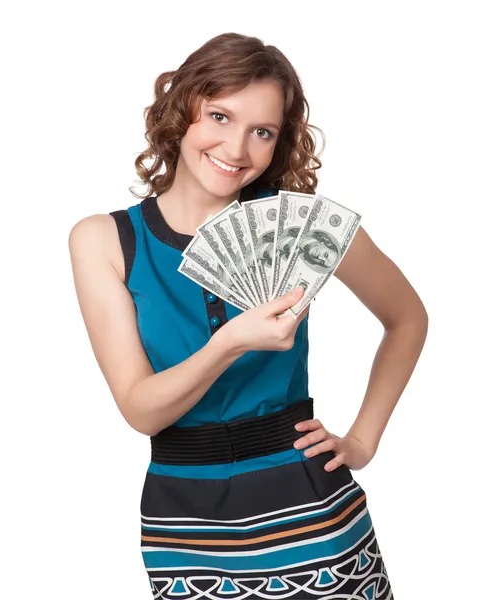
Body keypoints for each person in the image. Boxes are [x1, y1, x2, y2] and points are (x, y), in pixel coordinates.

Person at [69, 32, 428, 599]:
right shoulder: (105, 240)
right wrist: (229, 342)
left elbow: (408, 318)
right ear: (180, 109)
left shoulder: (300, 226)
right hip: (183, 521)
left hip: (312, 512)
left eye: (262, 131)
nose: (237, 148)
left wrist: (362, 440)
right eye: (219, 115)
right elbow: (140, 409)